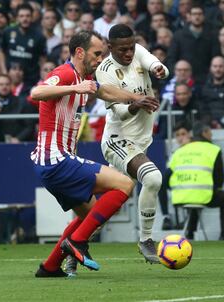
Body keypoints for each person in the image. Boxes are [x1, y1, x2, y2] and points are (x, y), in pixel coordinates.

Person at [30, 30, 159, 277]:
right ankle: (77, 243)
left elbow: (108, 92)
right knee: (124, 185)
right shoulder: (67, 73)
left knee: (90, 215)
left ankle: (50, 266)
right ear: (80, 52)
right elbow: (37, 93)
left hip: (54, 162)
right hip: (56, 158)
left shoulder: (85, 78)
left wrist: (136, 97)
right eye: (97, 54)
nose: (101, 59)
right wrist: (74, 87)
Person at [95, 24, 169, 263]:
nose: (129, 53)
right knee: (153, 178)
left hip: (140, 142)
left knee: (111, 203)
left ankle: (72, 243)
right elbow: (119, 113)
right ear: (110, 47)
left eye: (131, 47)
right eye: (123, 50)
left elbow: (157, 64)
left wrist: (159, 69)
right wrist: (136, 104)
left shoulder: (138, 51)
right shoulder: (104, 71)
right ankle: (146, 240)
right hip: (118, 140)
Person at [166, 122, 224, 240]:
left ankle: (190, 232)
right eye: (210, 133)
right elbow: (219, 177)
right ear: (204, 133)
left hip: (179, 197)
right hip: (202, 195)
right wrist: (214, 188)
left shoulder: (180, 150)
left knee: (195, 195)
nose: (211, 135)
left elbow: (166, 177)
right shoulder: (213, 149)